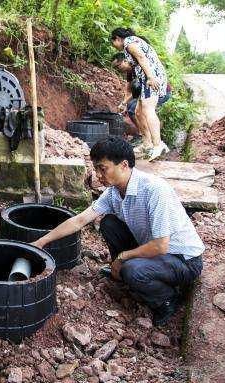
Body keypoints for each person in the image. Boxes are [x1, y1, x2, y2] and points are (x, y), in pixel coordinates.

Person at [31, 137, 204, 326]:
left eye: (102, 168)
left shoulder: (154, 191)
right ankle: (125, 275)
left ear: (123, 165)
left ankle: (167, 299)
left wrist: (122, 258)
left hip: (183, 260)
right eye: (96, 169)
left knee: (132, 269)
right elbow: (80, 220)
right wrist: (41, 241)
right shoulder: (113, 192)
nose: (98, 175)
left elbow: (161, 246)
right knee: (109, 223)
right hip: (155, 252)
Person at [111, 28, 169, 161]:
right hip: (146, 79)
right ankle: (147, 145)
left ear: (117, 38)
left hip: (151, 78)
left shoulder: (129, 43)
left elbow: (142, 58)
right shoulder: (132, 43)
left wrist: (150, 78)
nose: (114, 46)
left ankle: (158, 145)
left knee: (148, 110)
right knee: (138, 111)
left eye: (113, 42)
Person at [111, 53, 172, 147]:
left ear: (125, 61)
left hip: (160, 92)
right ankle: (144, 136)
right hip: (146, 92)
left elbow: (144, 87)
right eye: (115, 68)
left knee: (142, 110)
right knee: (131, 107)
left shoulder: (140, 66)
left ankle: (153, 140)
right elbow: (128, 91)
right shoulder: (129, 72)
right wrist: (123, 104)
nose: (118, 69)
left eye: (118, 66)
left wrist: (124, 103)